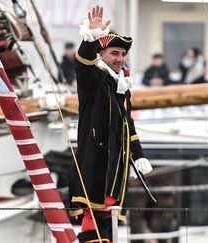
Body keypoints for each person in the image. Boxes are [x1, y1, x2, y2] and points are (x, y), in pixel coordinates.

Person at [69, 6, 152, 242]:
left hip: (116, 166)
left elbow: (128, 125)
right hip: (96, 161)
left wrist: (138, 154)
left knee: (107, 218)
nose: (120, 59)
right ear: (102, 54)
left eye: (123, 54)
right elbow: (82, 63)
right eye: (115, 53)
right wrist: (91, 38)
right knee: (93, 219)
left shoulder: (121, 85)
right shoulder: (93, 78)